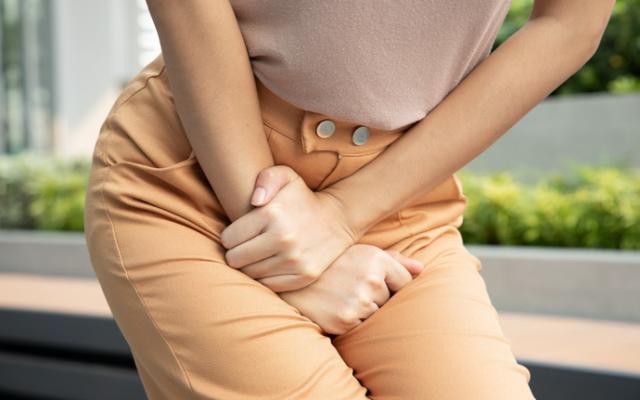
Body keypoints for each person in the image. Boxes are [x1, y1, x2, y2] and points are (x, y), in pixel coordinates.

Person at [83, 1, 614, 398]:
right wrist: (283, 245)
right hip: (201, 177)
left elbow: (569, 24)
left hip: (396, 200)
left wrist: (340, 217)